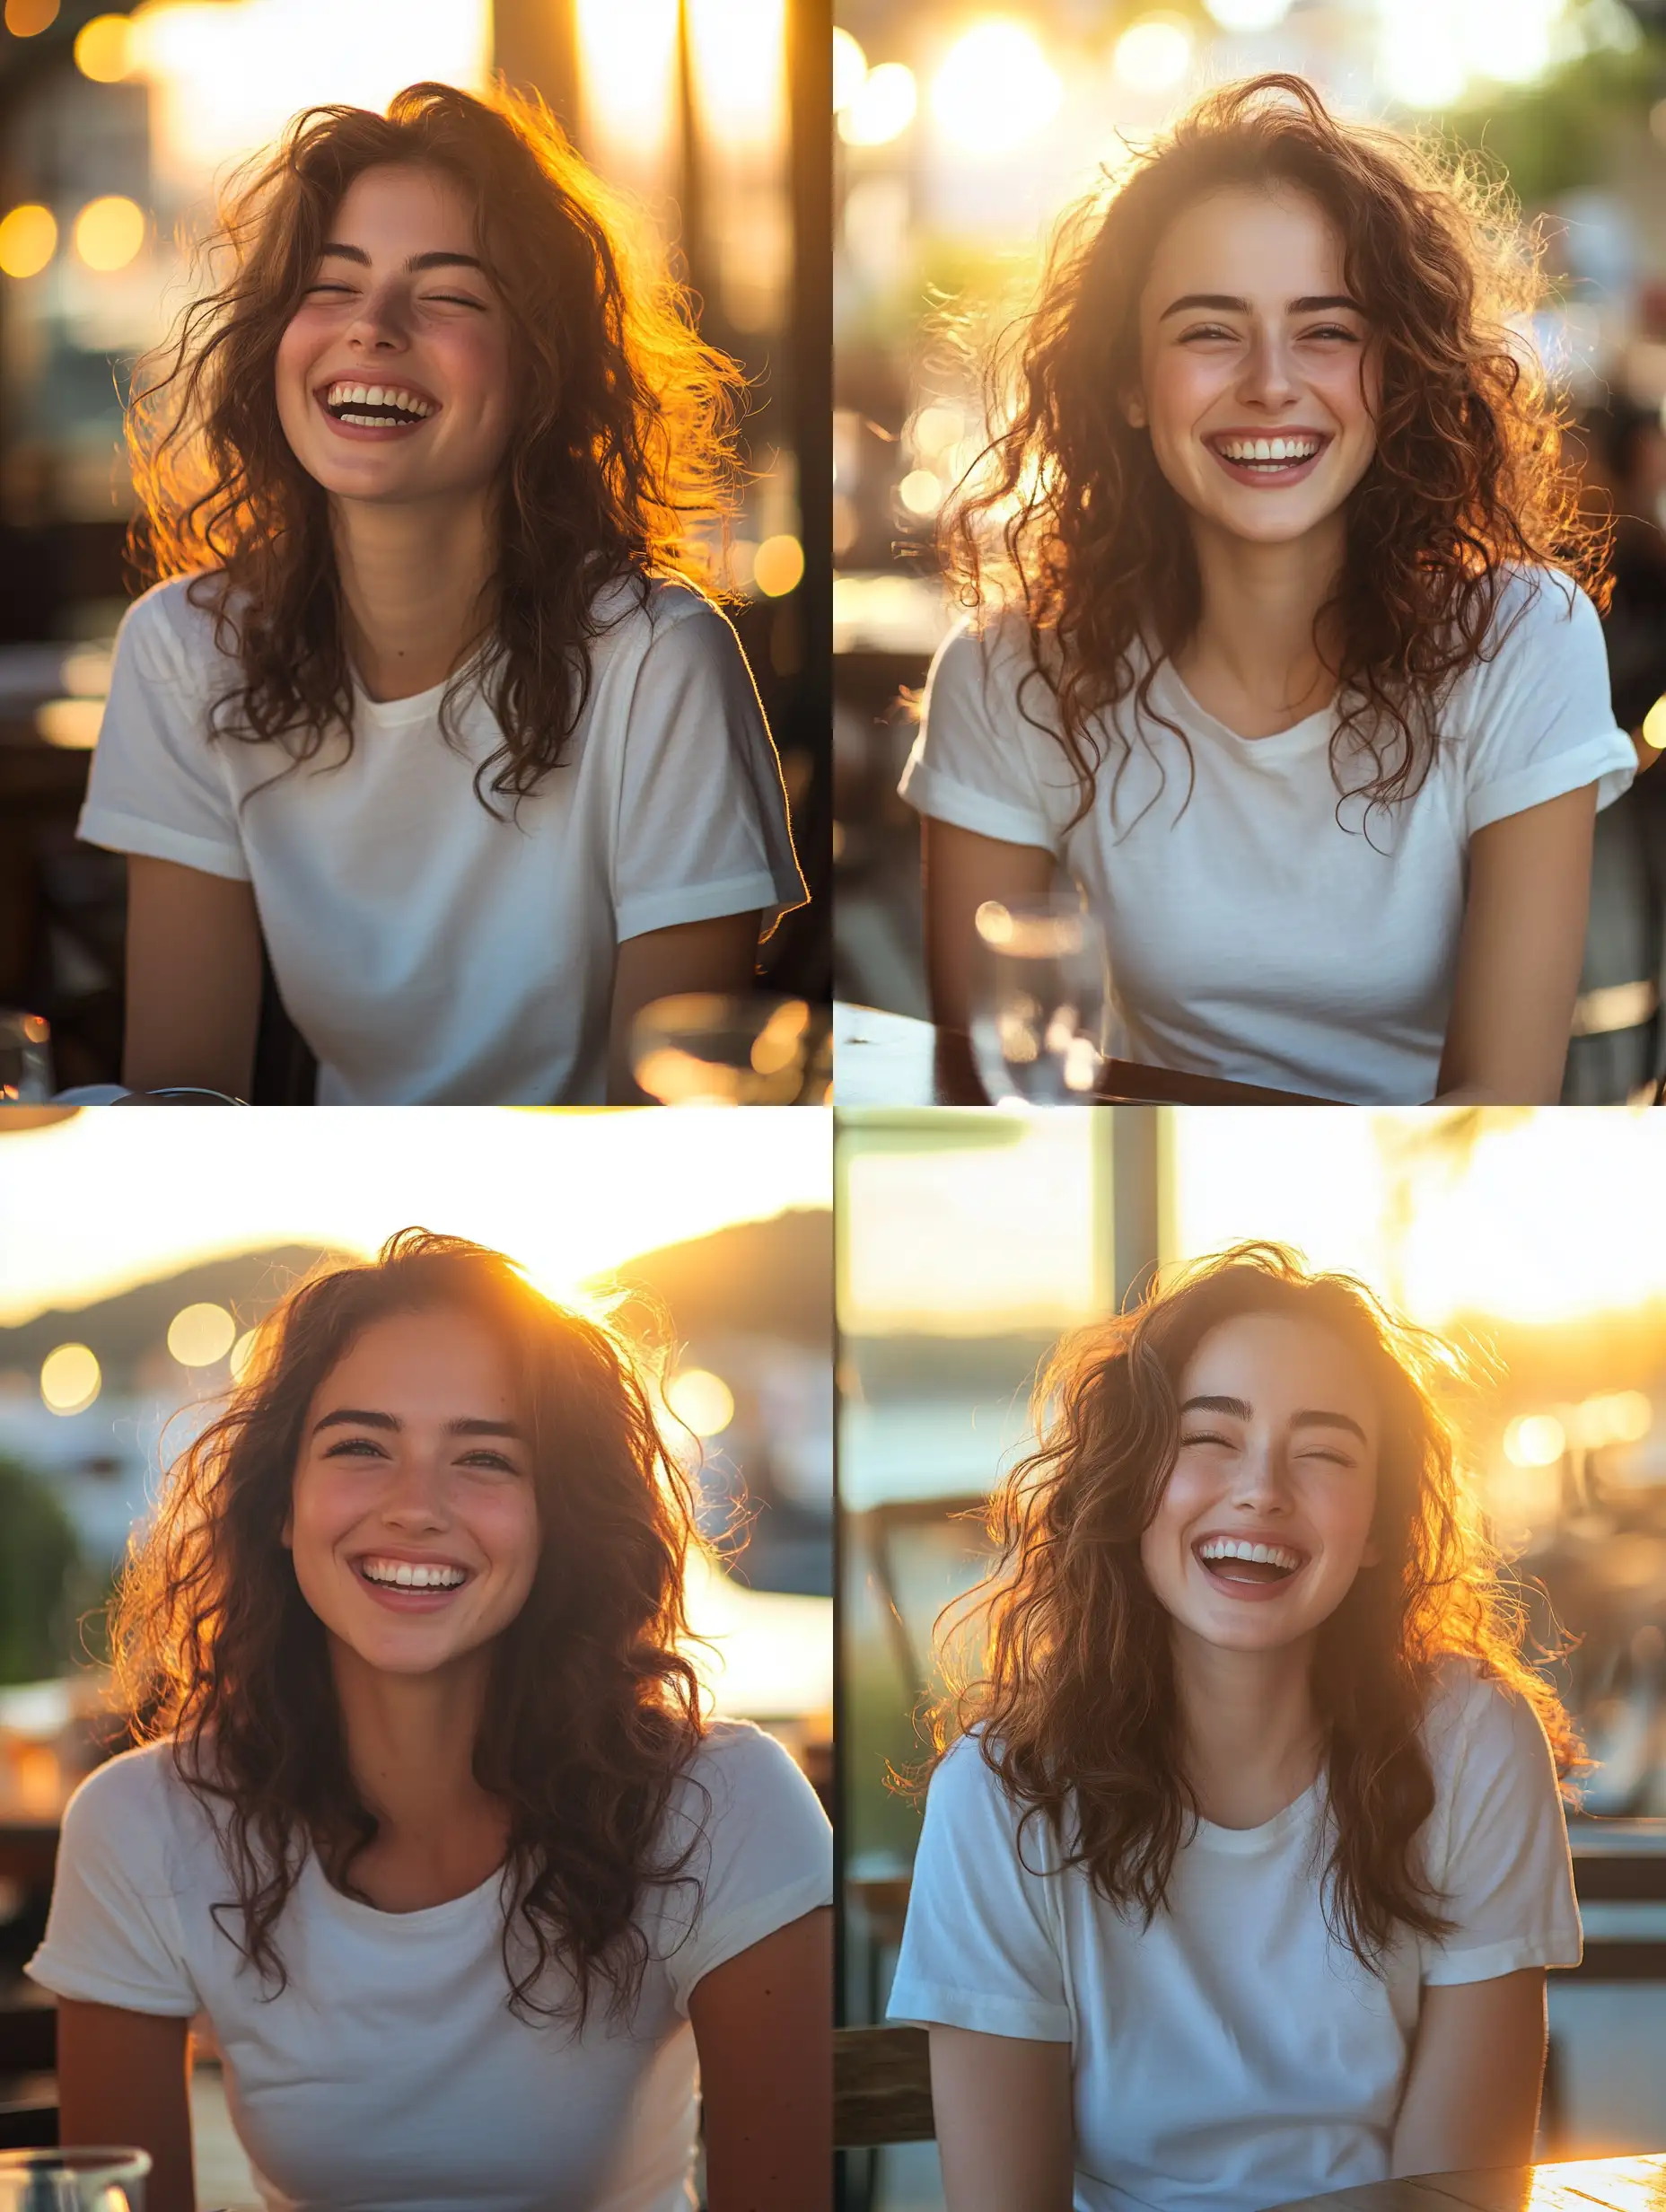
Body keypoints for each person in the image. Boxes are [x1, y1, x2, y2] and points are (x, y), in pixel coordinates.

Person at [27, 1231, 832, 2212]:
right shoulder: (141, 1824)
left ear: (558, 1516)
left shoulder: (722, 1803)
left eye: (486, 1457)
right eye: (361, 1446)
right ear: (281, 1502)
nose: (416, 1507)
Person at [903, 75, 1635, 1105]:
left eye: (1326, 330)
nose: (1270, 382)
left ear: (1395, 371)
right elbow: (987, 1092)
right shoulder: (1004, 669)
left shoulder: (1521, 639)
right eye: (1209, 331)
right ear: (1124, 380)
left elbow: (1497, 1108)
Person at [81, 83, 805, 1104]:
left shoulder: (657, 660)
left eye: (449, 295)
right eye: (331, 286)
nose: (371, 329)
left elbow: (668, 1119)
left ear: (543, 369)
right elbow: (184, 1103)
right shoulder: (182, 648)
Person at [889, 1243, 1582, 2211]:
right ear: (1129, 1481)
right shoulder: (1001, 1789)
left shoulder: (1470, 1741)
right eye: (1209, 1437)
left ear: (1377, 1525)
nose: (1261, 1489)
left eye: (1324, 1452)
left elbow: (1455, 2195)